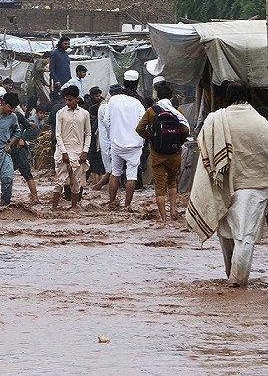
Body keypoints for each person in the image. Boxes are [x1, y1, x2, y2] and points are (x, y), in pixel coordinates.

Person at [187, 81, 268, 287]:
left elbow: (204, 150)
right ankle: (237, 279)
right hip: (255, 187)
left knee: (226, 234)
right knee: (245, 235)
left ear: (228, 96)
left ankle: (231, 275)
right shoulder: (262, 124)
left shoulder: (215, 120)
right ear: (249, 96)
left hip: (221, 185)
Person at [135, 83, 190, 223]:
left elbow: (139, 129)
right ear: (170, 97)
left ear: (157, 97)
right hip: (174, 153)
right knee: (172, 182)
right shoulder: (177, 112)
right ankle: (173, 210)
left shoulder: (151, 111)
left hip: (157, 154)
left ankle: (164, 219)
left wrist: (151, 138)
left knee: (159, 187)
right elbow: (185, 130)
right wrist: (178, 142)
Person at [104, 71, 146, 211]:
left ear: (123, 81)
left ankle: (112, 203)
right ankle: (127, 206)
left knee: (115, 172)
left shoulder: (113, 100)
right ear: (137, 83)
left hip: (116, 144)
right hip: (134, 145)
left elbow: (106, 120)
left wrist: (113, 134)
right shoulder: (138, 103)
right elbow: (143, 124)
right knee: (131, 176)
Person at [52, 86, 91, 210]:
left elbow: (88, 133)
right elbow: (58, 134)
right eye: (66, 100)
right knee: (59, 181)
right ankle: (53, 209)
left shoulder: (85, 114)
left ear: (77, 99)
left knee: (76, 182)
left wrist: (85, 151)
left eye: (70, 100)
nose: (67, 103)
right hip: (62, 150)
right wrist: (63, 152)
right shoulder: (60, 113)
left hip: (78, 151)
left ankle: (74, 208)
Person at [13, 104, 40, 203]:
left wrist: (23, 139)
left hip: (19, 150)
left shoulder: (18, 116)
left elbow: (31, 127)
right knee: (6, 176)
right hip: (6, 150)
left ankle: (35, 197)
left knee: (27, 174)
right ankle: (6, 199)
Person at [86, 86, 106, 185]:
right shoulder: (90, 106)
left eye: (99, 95)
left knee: (95, 167)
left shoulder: (92, 121)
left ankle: (96, 186)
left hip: (94, 145)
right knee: (100, 167)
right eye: (96, 96)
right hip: (100, 144)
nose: (99, 97)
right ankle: (100, 186)